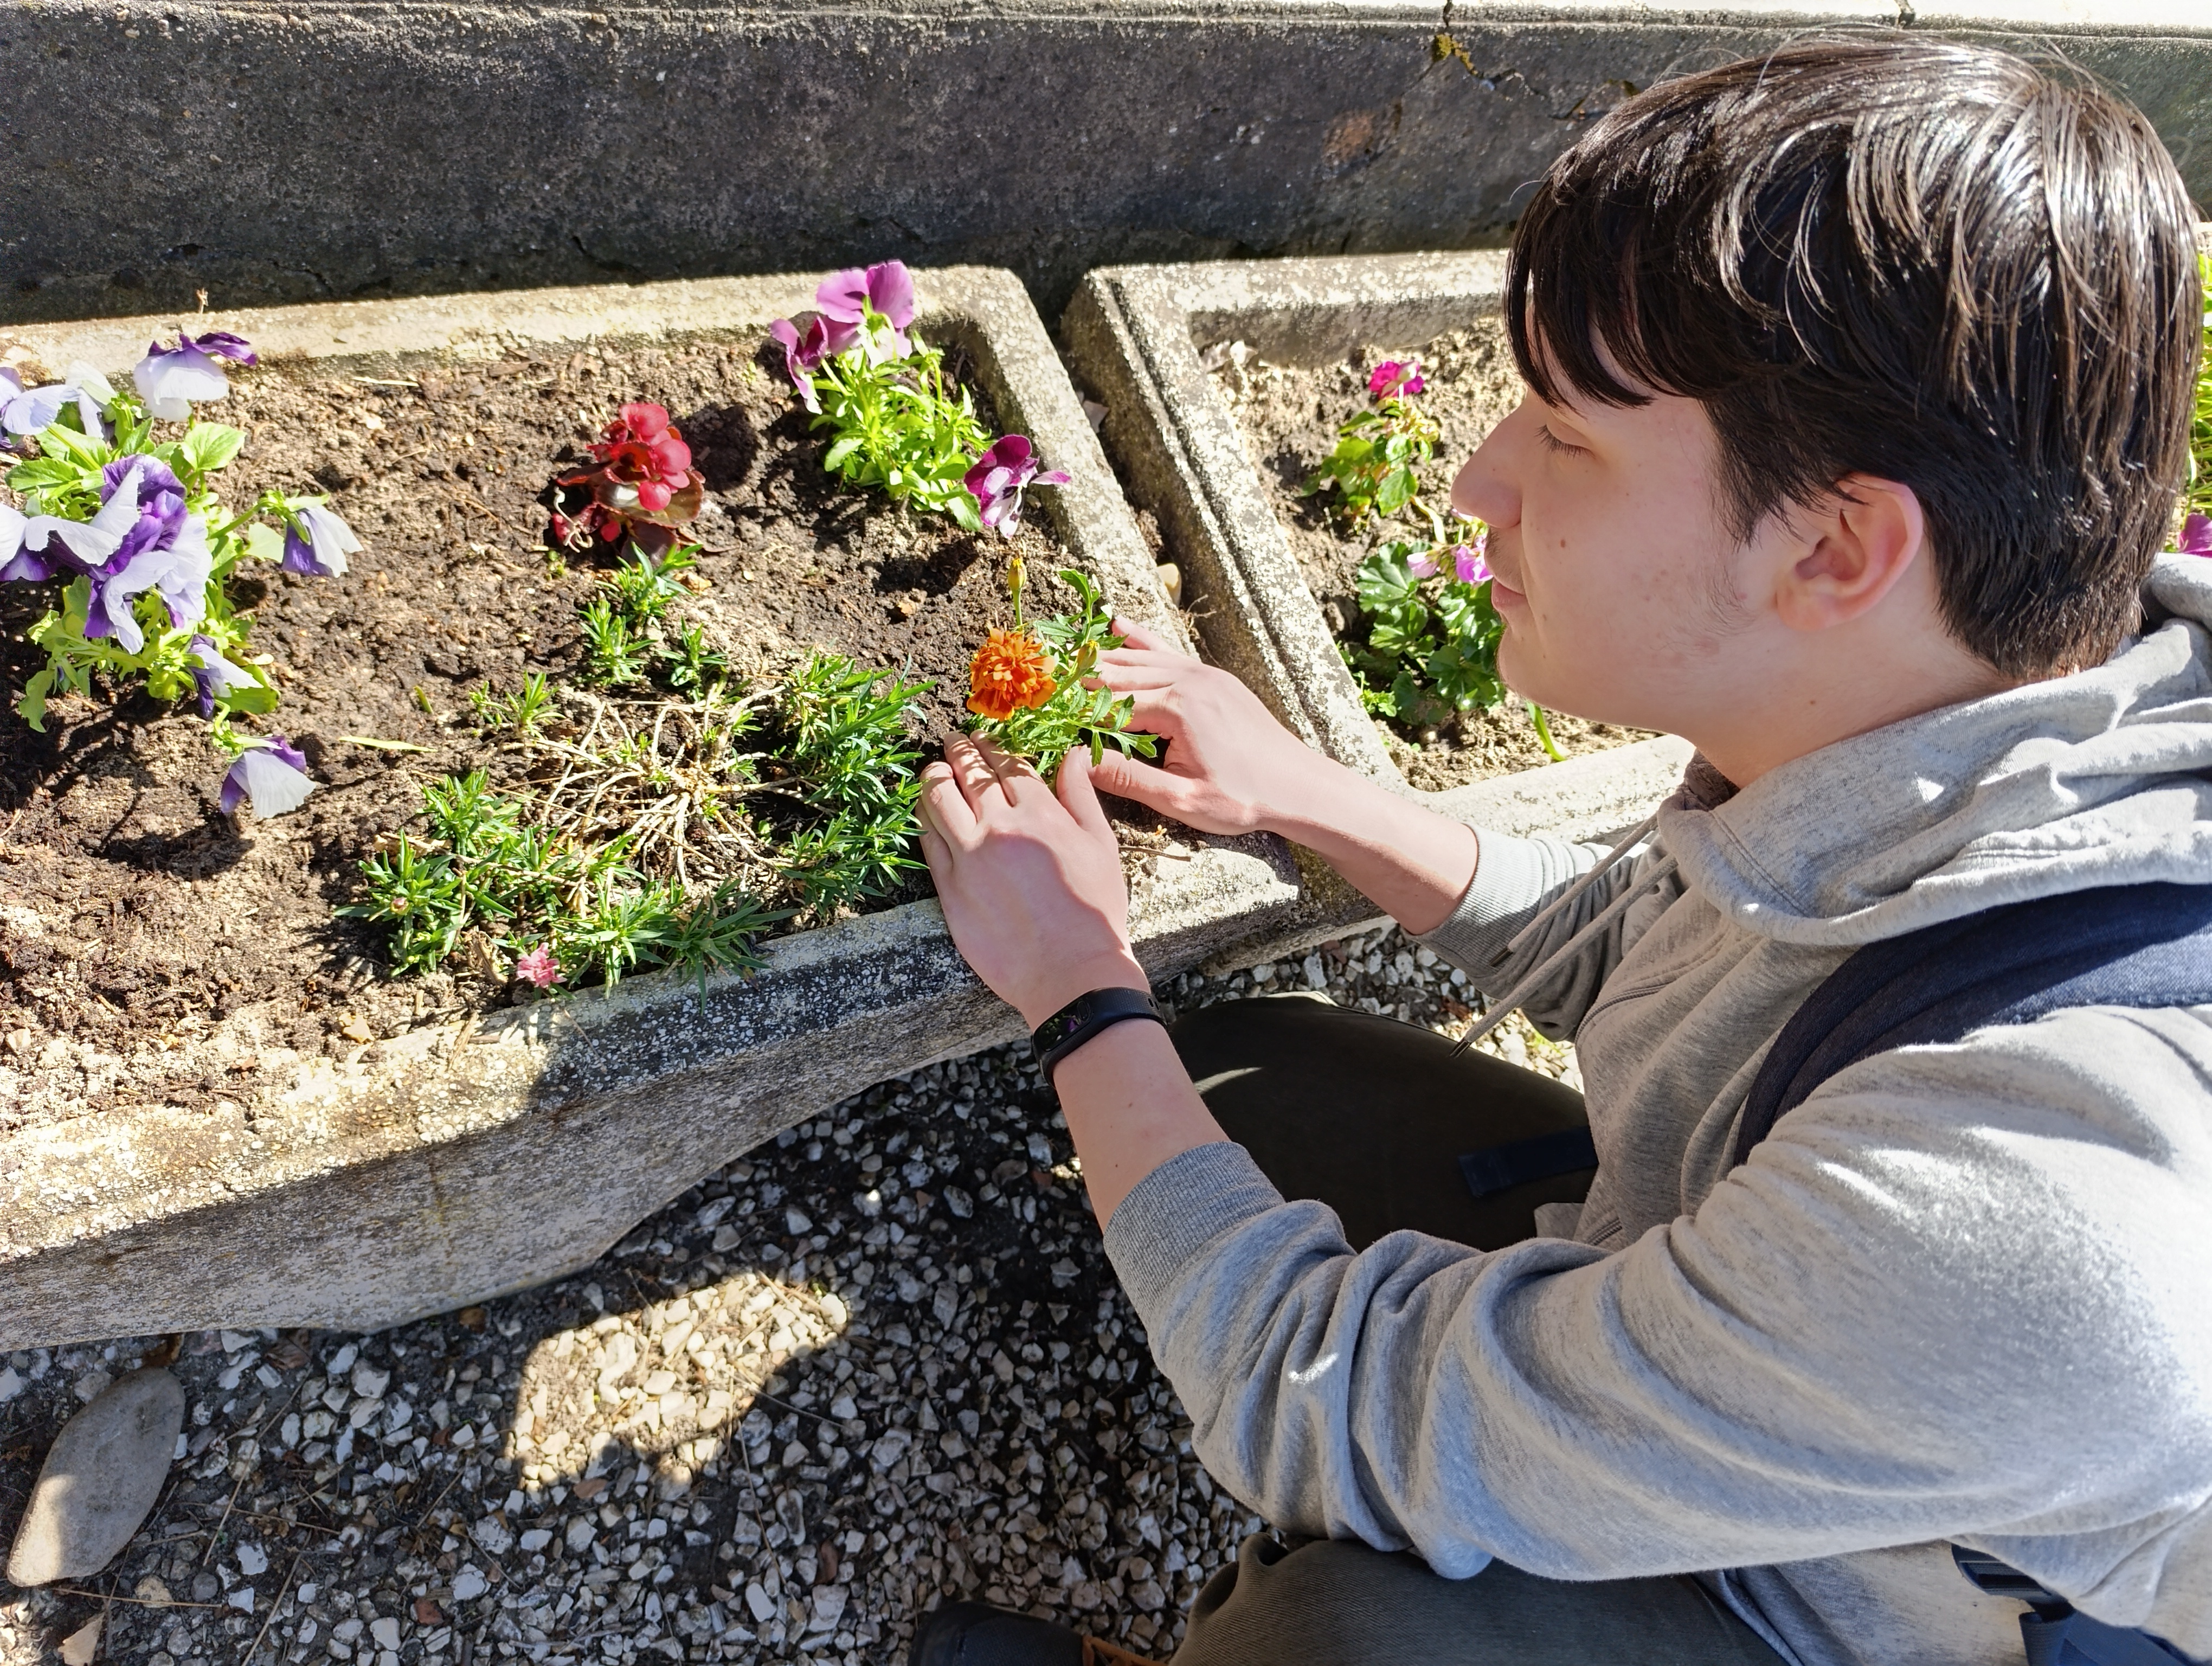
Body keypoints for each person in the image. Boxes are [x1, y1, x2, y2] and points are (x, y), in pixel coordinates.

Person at [908, 34, 2212, 1666]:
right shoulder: (2000, 724)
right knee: (1252, 1073)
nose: (1477, 481)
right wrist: (1310, 793)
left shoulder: (2029, 1216)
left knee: (1353, 1633)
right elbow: (1668, 958)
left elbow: (1333, 1409)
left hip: (1841, 1611)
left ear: (1840, 547)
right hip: (1822, 1332)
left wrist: (1083, 988)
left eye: (1568, 435)